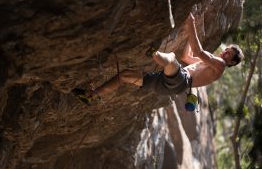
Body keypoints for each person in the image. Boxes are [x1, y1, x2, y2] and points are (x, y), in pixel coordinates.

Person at [72, 13, 244, 105]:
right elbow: (187, 56)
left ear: (231, 63)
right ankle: (91, 95)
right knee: (124, 75)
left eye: (230, 54)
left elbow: (198, 52)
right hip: (169, 85)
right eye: (227, 50)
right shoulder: (211, 66)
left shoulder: (219, 66)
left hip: (180, 81)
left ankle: (154, 52)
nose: (225, 53)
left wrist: (191, 24)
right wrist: (194, 29)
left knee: (170, 59)